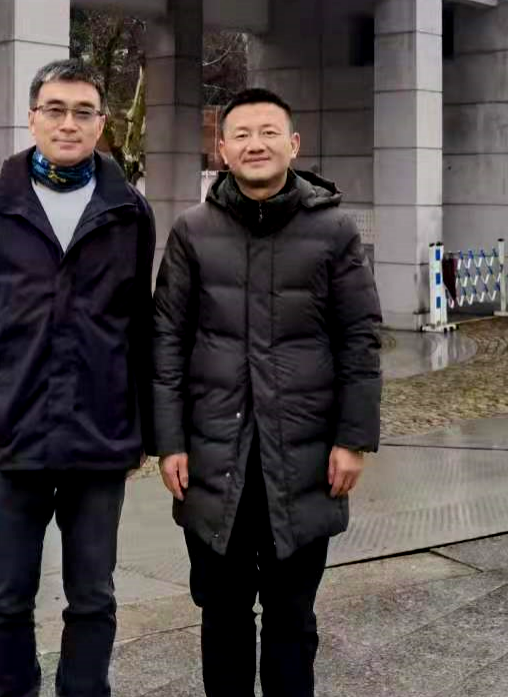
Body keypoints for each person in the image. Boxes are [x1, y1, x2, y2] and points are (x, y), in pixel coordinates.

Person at [152, 88, 382, 697]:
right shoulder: (192, 231)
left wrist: (354, 439)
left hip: (304, 459)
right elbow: (167, 342)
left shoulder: (334, 230)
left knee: (292, 619)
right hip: (214, 458)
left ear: (293, 144)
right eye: (242, 134)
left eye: (269, 132)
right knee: (222, 615)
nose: (256, 144)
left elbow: (359, 339)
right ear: (222, 149)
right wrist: (169, 442)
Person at [0, 59, 155, 697]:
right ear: (33, 117)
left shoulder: (128, 210)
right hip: (13, 429)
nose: (68, 123)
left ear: (102, 123)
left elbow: (139, 327)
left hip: (99, 434)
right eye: (55, 110)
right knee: (7, 596)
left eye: (83, 112)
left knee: (93, 595)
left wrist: (146, 430)